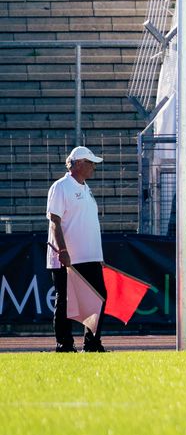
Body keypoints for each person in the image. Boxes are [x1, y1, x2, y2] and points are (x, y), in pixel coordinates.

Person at [46, 146, 108, 352]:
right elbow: (54, 221)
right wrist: (62, 251)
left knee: (97, 299)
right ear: (79, 164)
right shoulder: (60, 187)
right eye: (90, 163)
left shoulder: (86, 188)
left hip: (90, 257)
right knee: (65, 301)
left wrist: (98, 255)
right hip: (68, 258)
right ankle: (64, 345)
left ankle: (92, 344)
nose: (93, 167)